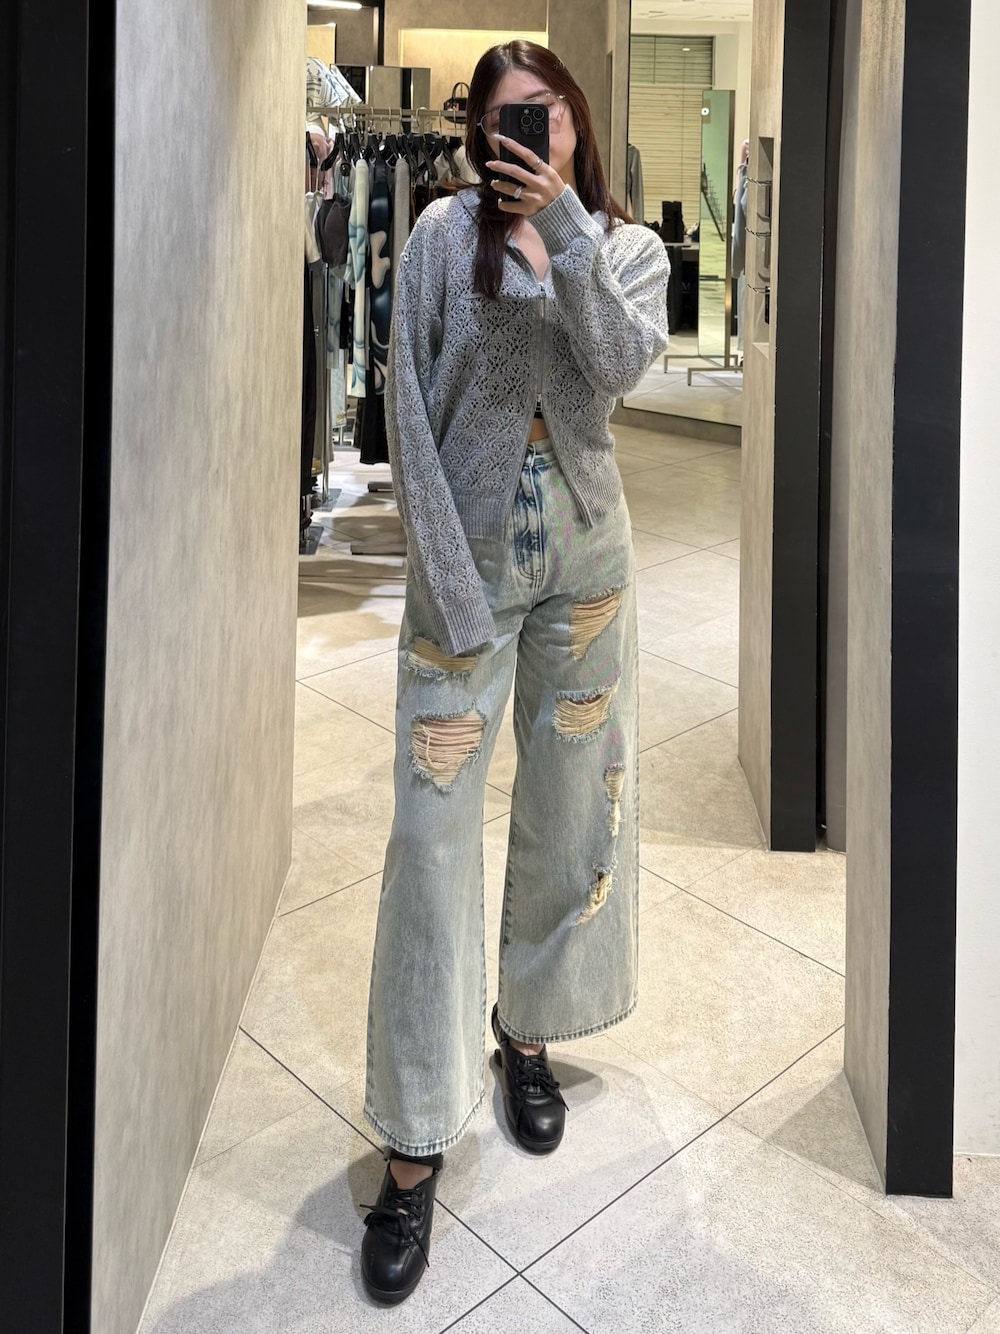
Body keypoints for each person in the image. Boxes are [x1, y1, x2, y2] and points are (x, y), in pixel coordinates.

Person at [359, 39, 670, 1305]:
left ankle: (526, 1030)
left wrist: (568, 236)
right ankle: (411, 1137)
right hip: (466, 566)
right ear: (474, 136)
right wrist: (443, 573)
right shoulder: (442, 235)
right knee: (429, 834)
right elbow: (404, 406)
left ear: (574, 121)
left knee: (568, 803)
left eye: (540, 114)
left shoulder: (623, 245)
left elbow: (624, 363)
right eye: (501, 121)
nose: (523, 137)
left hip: (586, 562)